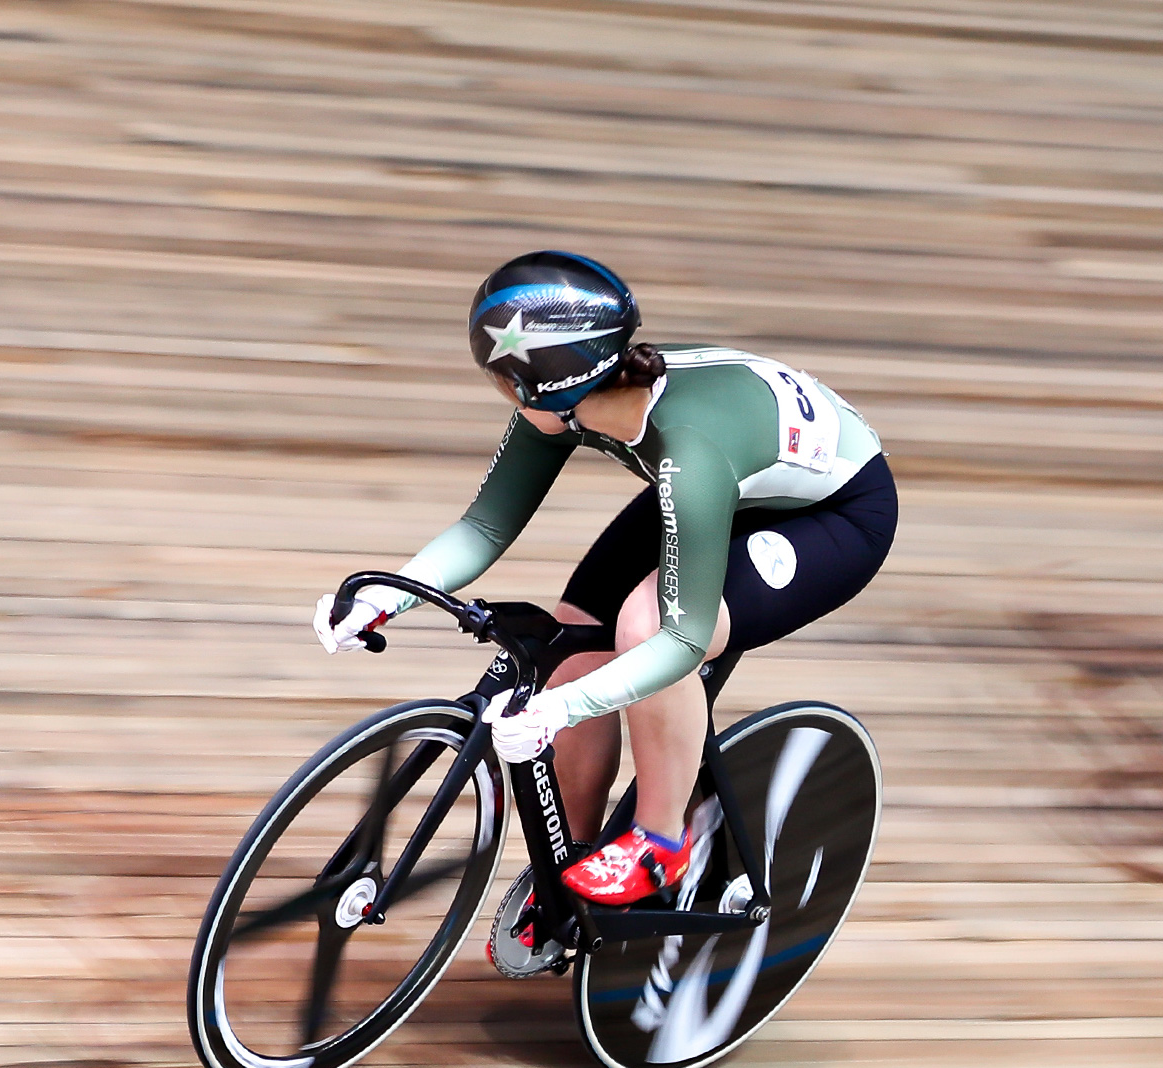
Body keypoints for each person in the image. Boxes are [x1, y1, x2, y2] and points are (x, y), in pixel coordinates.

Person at [314, 252, 896, 904]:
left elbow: (680, 640)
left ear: (536, 388)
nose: (499, 395)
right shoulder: (579, 396)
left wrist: (560, 711)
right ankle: (569, 875)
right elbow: (484, 528)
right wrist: (386, 596)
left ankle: (661, 840)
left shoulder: (686, 451)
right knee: (573, 642)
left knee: (647, 625)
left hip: (834, 517)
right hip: (738, 480)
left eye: (499, 382)